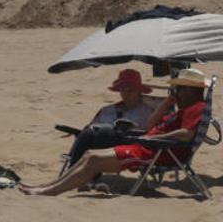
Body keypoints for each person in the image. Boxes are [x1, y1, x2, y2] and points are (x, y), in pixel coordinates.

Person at [21, 68, 209, 196]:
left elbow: (186, 134)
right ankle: (48, 186)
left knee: (94, 159)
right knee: (89, 154)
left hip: (155, 152)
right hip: (148, 146)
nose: (176, 93)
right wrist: (166, 104)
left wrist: (154, 138)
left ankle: (49, 192)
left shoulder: (196, 107)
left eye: (179, 89)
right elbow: (152, 126)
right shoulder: (183, 109)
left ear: (190, 90)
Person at [60, 69, 161, 170]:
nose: (126, 94)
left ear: (139, 92)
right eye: (122, 90)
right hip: (102, 141)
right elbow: (92, 126)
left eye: (130, 90)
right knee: (88, 132)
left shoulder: (148, 111)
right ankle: (74, 170)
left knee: (105, 131)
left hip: (129, 144)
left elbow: (151, 132)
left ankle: (91, 175)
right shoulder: (107, 110)